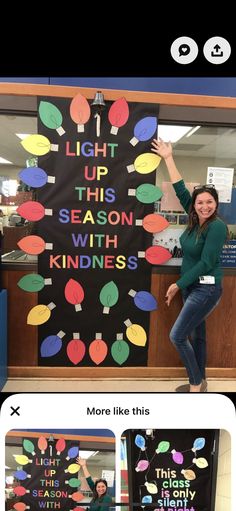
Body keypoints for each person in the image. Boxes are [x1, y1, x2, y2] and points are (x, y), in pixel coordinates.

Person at [151, 138, 228, 393]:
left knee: (177, 336)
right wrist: (168, 158)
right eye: (200, 202)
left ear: (216, 204)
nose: (204, 206)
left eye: (209, 202)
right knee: (197, 335)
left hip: (206, 289)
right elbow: (181, 190)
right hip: (192, 287)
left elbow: (207, 262)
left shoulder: (216, 226)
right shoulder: (196, 220)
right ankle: (202, 380)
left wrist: (177, 284)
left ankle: (195, 385)